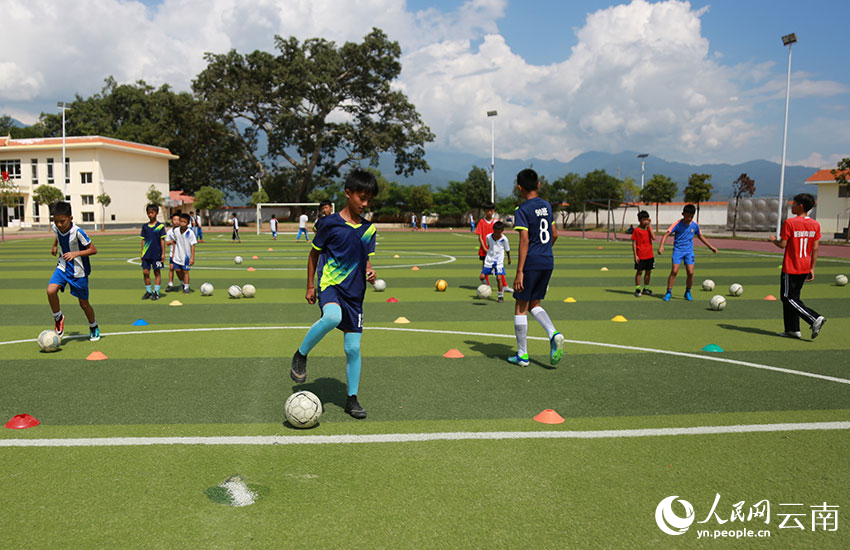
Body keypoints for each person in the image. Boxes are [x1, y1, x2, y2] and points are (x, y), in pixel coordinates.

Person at [290, 169, 379, 419]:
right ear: (347, 193)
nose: (365, 203)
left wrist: (370, 273)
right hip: (330, 285)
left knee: (353, 349)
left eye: (369, 199)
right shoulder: (329, 224)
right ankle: (300, 355)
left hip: (355, 294)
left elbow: (367, 262)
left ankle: (352, 399)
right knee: (331, 317)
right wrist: (310, 286)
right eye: (361, 197)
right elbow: (314, 254)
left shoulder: (369, 230)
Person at [509, 169, 564, 367]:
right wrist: (544, 252)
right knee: (535, 304)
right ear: (538, 184)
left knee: (520, 306)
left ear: (519, 188)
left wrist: (519, 271)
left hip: (530, 263)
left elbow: (524, 240)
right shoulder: (547, 206)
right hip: (547, 260)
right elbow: (555, 234)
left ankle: (522, 355)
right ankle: (553, 333)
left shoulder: (522, 210)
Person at [768, 193, 826, 339]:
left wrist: (773, 240)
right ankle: (792, 329)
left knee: (788, 298)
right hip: (805, 266)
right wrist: (812, 268)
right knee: (794, 298)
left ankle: (814, 318)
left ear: (800, 206)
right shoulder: (815, 224)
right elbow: (815, 248)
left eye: (794, 204)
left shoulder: (790, 223)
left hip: (791, 266)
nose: (791, 206)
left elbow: (783, 245)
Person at [46, 201, 100, 342]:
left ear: (70, 218)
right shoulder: (56, 227)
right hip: (63, 266)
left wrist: (75, 253)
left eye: (62, 221)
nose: (58, 224)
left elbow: (93, 249)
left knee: (84, 304)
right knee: (51, 291)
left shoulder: (78, 232)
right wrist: (54, 246)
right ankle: (58, 317)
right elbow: (58, 234)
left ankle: (93, 326)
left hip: (78, 271)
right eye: (56, 221)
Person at [657, 204, 718, 301]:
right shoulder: (677, 224)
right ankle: (668, 292)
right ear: (683, 214)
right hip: (678, 251)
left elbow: (700, 236)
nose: (689, 218)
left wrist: (711, 247)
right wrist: (661, 246)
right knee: (674, 271)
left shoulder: (695, 225)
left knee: (690, 272)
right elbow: (666, 234)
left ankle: (688, 292)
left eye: (691, 216)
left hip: (689, 252)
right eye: (688, 216)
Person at [140, 204, 167, 301]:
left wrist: (163, 253)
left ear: (156, 213)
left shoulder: (160, 226)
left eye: (152, 212)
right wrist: (142, 253)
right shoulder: (145, 227)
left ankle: (156, 292)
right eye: (148, 213)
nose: (150, 214)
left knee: (157, 272)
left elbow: (162, 240)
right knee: (145, 272)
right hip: (147, 254)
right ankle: (148, 291)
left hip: (157, 254)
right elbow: (143, 240)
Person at [165, 213, 197, 294]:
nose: (182, 223)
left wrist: (192, 257)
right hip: (177, 255)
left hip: (186, 256)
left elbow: (193, 245)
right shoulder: (175, 231)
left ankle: (186, 287)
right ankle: (182, 282)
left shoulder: (190, 233)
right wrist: (173, 254)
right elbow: (174, 242)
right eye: (181, 221)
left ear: (188, 223)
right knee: (177, 269)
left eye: (184, 222)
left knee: (186, 271)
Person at [481, 220, 511, 302]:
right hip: (489, 260)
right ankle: (486, 288)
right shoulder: (488, 237)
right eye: (495, 232)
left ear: (502, 231)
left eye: (498, 232)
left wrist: (508, 258)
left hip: (499, 261)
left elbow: (507, 250)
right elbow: (489, 246)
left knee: (499, 278)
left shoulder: (504, 239)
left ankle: (500, 296)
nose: (497, 234)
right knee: (482, 277)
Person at [631, 211, 655, 297]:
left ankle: (646, 288)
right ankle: (638, 289)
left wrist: (650, 226)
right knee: (639, 272)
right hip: (641, 255)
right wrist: (635, 255)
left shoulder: (648, 229)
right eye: (644, 220)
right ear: (639, 220)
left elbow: (654, 237)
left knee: (648, 272)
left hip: (650, 255)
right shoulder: (636, 230)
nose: (645, 221)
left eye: (647, 220)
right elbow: (634, 243)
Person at [475, 201, 497, 286]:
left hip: (494, 249)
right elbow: (480, 236)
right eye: (487, 210)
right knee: (485, 265)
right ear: (484, 211)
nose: (489, 212)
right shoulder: (481, 222)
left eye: (491, 210)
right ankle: (485, 283)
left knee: (498, 266)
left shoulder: (496, 222)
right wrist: (484, 247)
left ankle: (503, 285)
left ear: (494, 211)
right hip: (484, 249)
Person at [165, 212, 182, 292]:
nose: (176, 221)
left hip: (181, 253)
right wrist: (171, 241)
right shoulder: (169, 232)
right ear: (171, 221)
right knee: (171, 268)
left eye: (178, 220)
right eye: (174, 220)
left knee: (179, 270)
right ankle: (170, 284)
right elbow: (166, 243)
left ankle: (183, 283)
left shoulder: (183, 231)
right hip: (173, 253)